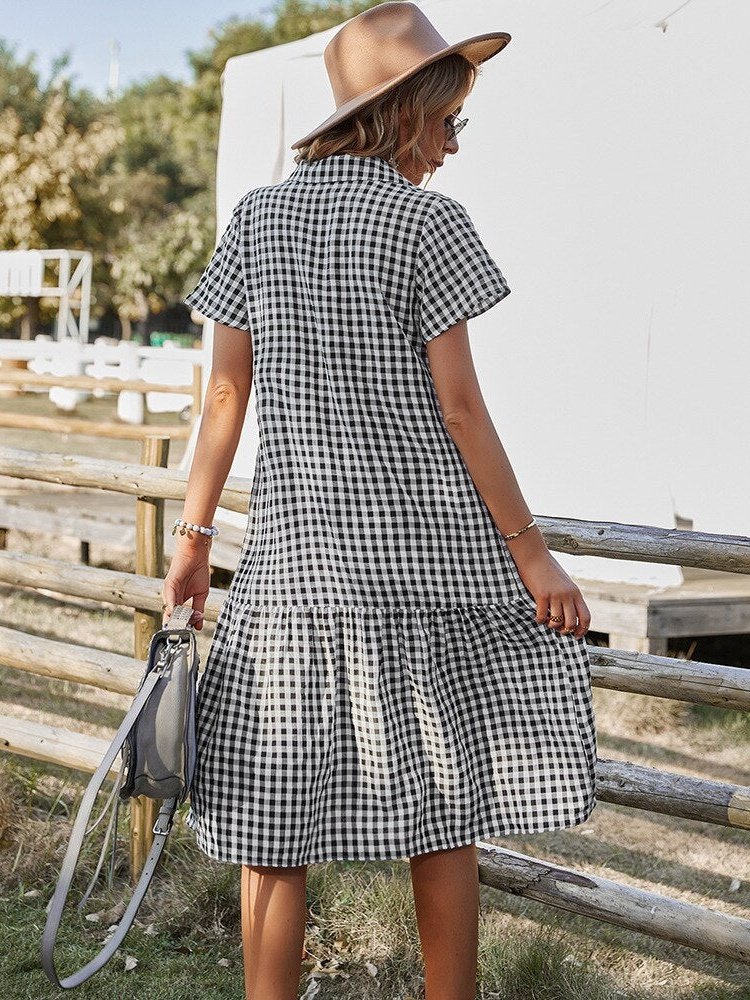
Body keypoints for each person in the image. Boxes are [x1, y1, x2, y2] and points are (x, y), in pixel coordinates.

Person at [161, 4, 598, 998]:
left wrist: (193, 535)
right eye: (448, 119)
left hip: (292, 573)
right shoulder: (430, 223)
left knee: (273, 817)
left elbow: (226, 393)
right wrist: (533, 554)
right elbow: (461, 405)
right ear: (403, 112)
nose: (452, 143)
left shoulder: (259, 218)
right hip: (424, 567)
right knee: (440, 809)